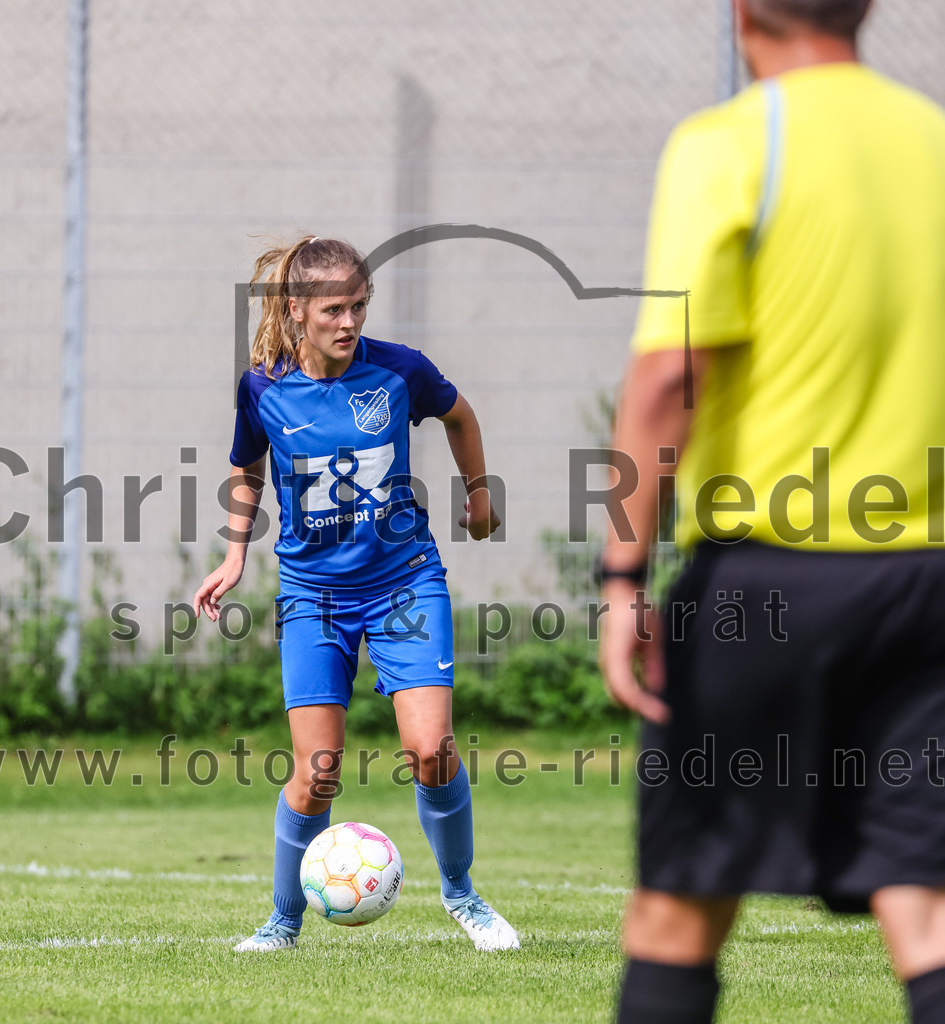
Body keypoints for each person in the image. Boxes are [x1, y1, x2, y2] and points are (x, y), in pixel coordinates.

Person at [598, 0, 945, 1020]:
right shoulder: (932, 141)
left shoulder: (735, 141)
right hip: (928, 582)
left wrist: (621, 577)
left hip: (769, 582)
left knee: (680, 903)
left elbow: (671, 372)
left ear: (743, 9)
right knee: (926, 909)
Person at [193, 235, 520, 953]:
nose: (349, 322)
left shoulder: (400, 371)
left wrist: (478, 496)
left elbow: (460, 416)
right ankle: (282, 924)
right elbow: (246, 467)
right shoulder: (262, 387)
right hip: (314, 594)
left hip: (405, 582)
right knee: (317, 775)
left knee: (430, 749)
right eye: (334, 310)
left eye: (359, 307)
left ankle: (463, 896)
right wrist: (234, 553)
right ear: (296, 310)